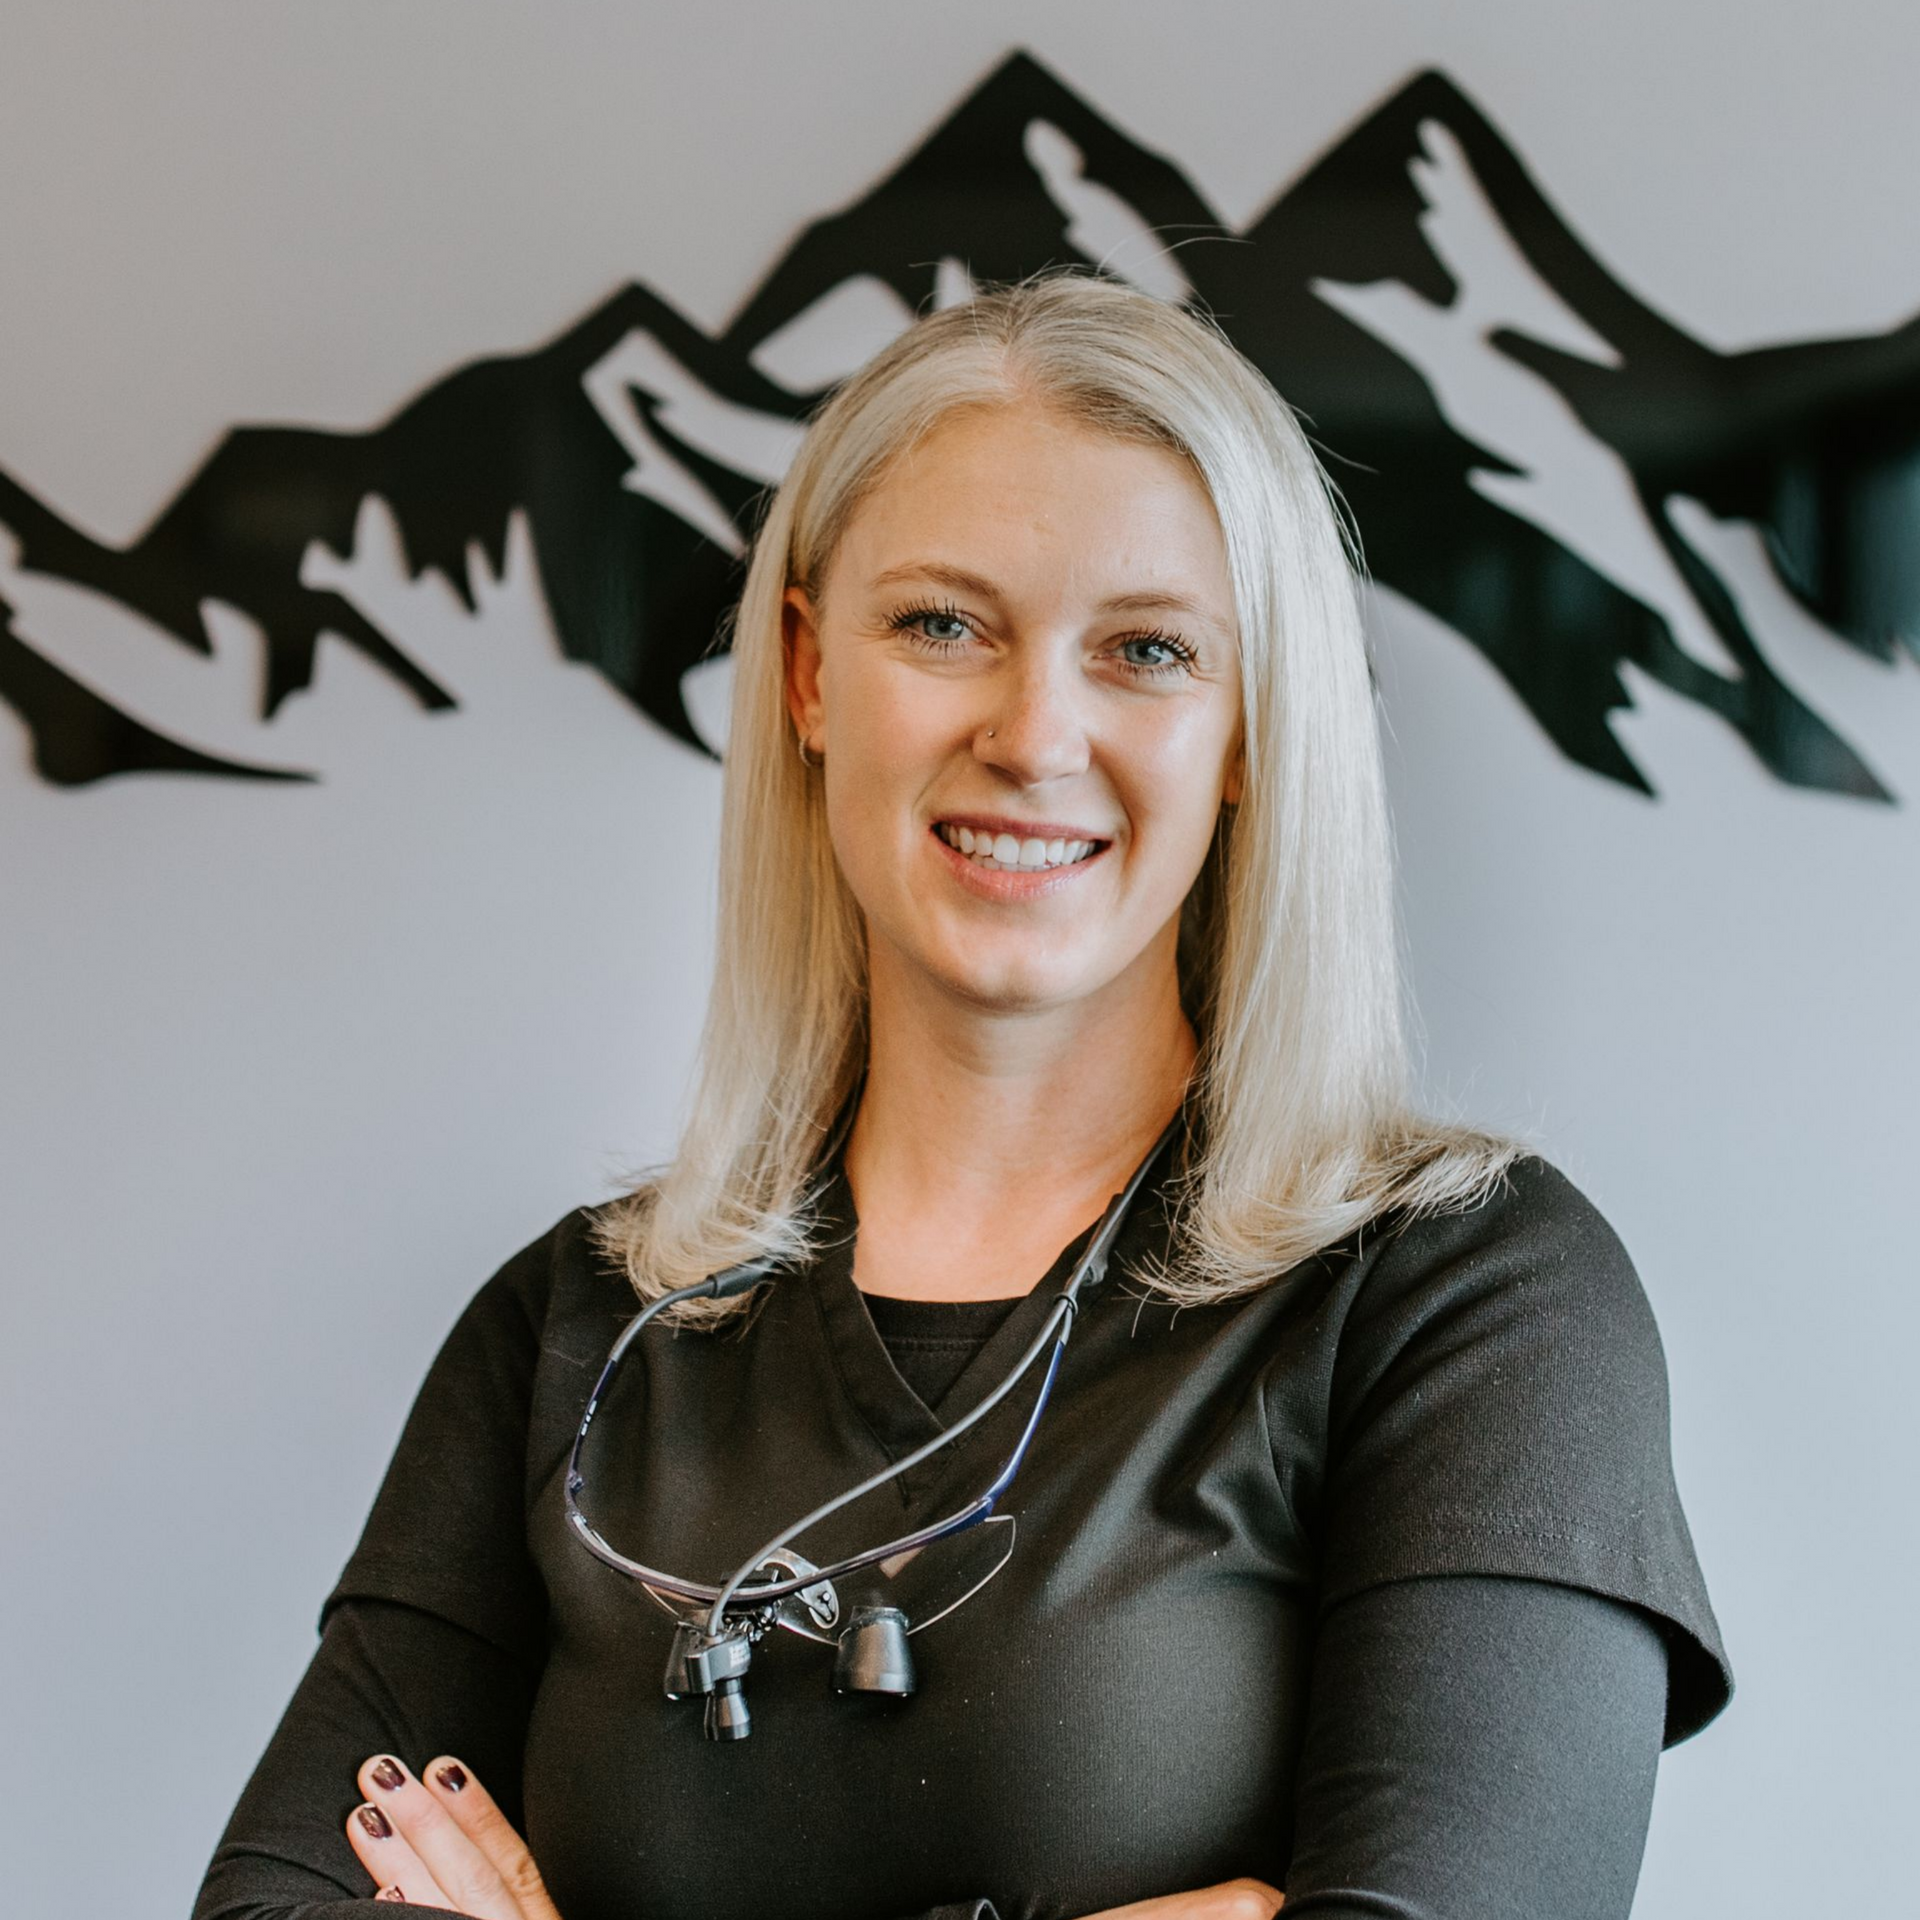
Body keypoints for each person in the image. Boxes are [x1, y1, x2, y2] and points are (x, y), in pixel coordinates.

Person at [191, 269, 1732, 1920]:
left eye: (1147, 650)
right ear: (806, 674)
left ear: (1249, 730)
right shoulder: (576, 1327)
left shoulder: (1470, 1302)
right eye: (944, 625)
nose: (1035, 733)